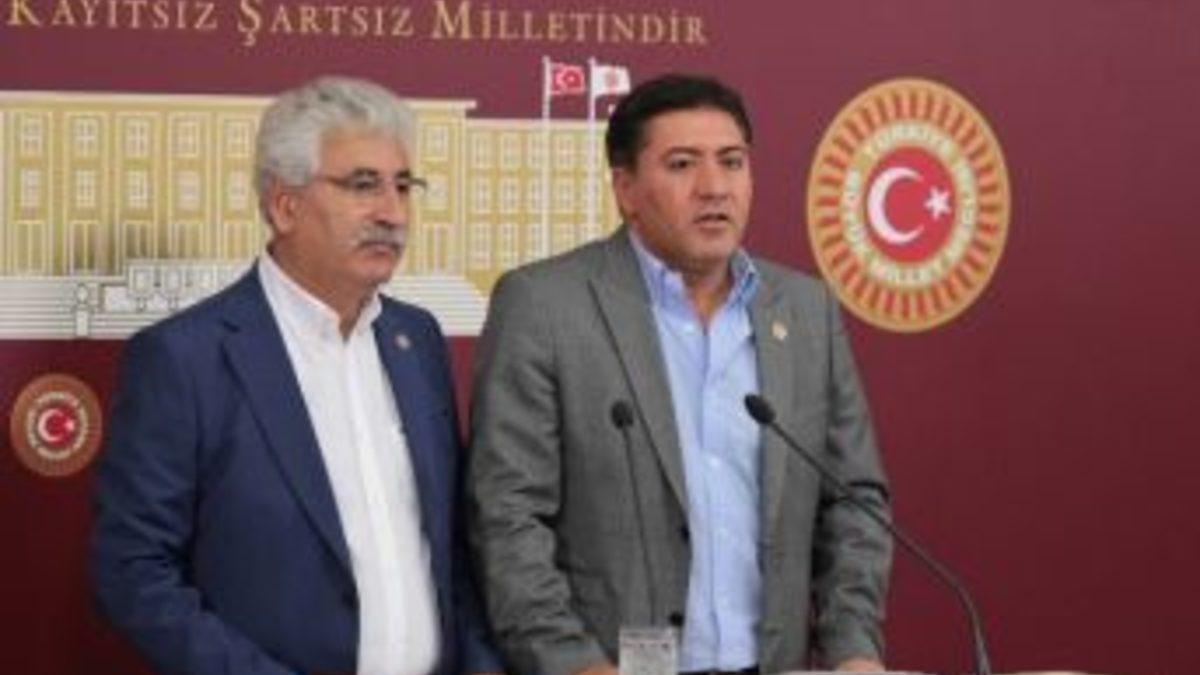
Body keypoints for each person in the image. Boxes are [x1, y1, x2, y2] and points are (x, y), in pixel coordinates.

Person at [467, 73, 892, 675]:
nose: (714, 187)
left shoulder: (803, 310)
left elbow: (854, 503)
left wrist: (853, 650)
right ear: (626, 189)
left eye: (732, 162)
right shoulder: (546, 306)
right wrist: (572, 663)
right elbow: (507, 516)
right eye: (682, 164)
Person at [92, 76, 499, 675]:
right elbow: (133, 571)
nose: (392, 213)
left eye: (403, 186)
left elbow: (451, 546)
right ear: (285, 206)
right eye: (363, 185)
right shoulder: (186, 358)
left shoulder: (416, 340)